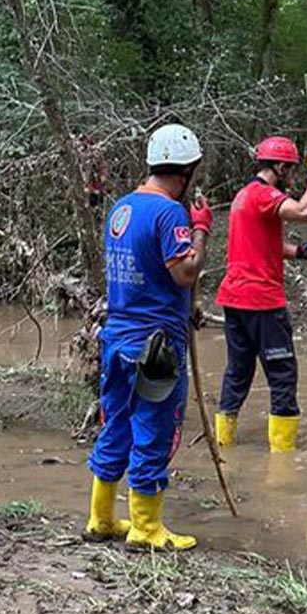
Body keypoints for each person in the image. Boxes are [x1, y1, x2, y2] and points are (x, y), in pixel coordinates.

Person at [83, 123, 213, 551]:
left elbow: (146, 274)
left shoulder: (121, 208)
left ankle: (101, 517)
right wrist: (201, 231)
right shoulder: (170, 213)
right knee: (153, 427)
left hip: (117, 336)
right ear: (186, 170)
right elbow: (184, 272)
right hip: (155, 345)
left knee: (115, 423)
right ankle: (146, 526)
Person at [213, 136, 307, 454]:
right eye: (291, 169)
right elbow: (306, 211)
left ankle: (223, 446)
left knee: (238, 371)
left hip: (234, 299)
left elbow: (267, 247)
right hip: (261, 301)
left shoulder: (245, 196)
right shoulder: (265, 194)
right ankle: (282, 460)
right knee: (282, 374)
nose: (293, 176)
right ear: (279, 167)